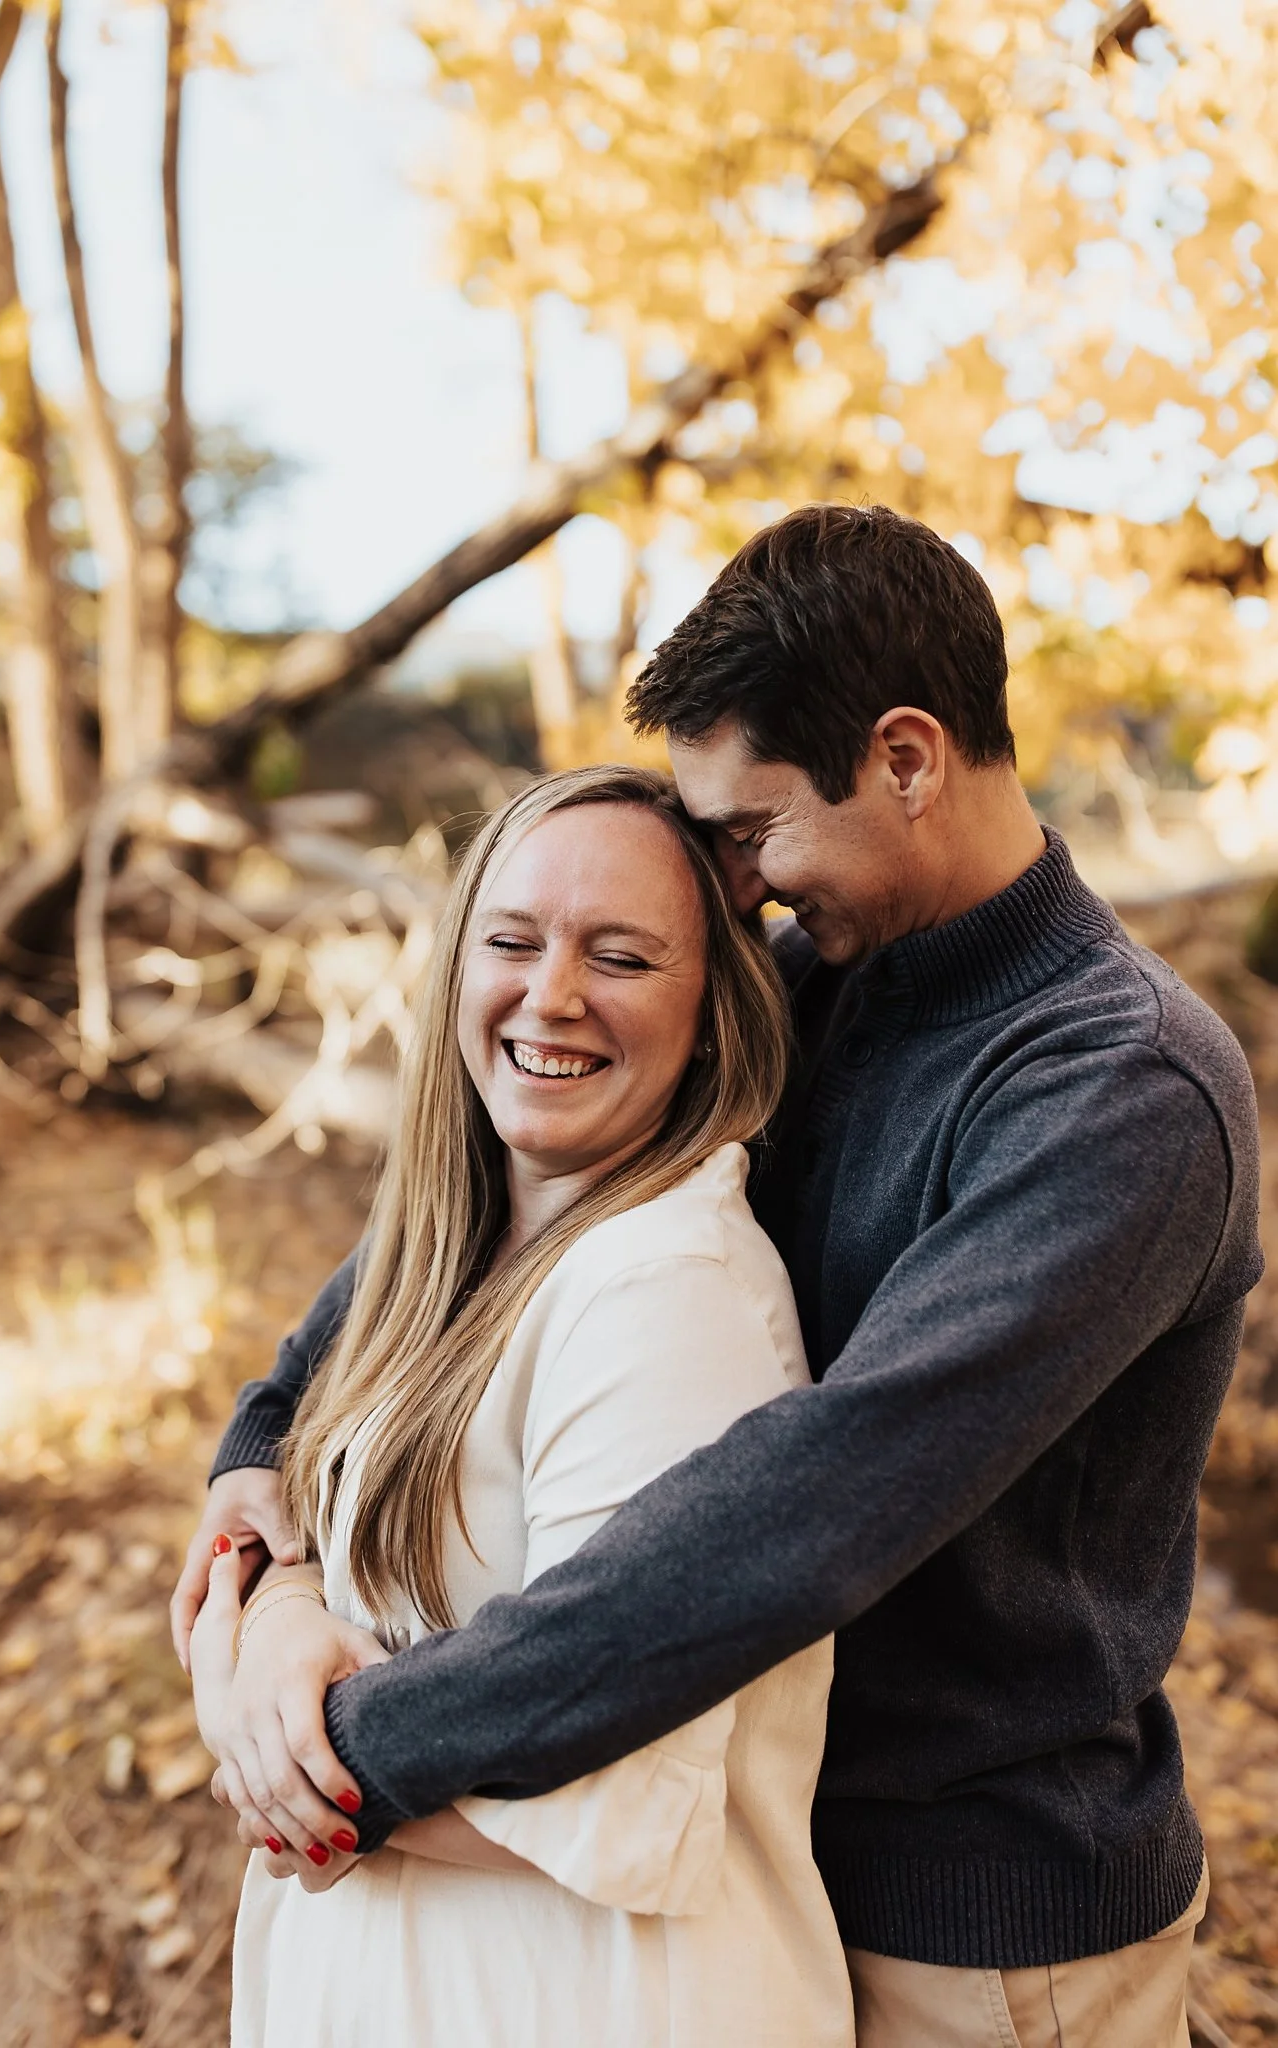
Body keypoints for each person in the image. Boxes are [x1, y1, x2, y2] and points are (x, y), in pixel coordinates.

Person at [177, 504, 1263, 2047]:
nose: (733, 883)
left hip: (985, 1931)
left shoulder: (1120, 1090)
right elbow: (505, 1187)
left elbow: (812, 1504)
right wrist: (270, 1436)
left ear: (905, 758)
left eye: (748, 832)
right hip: (774, 1859)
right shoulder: (821, 973)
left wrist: (358, 1748)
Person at [187, 764, 855, 2046]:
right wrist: (276, 1611)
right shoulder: (456, 1250)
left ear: (715, 1006)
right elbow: (323, 1547)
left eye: (621, 955)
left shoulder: (667, 1293)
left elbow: (631, 1790)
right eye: (511, 939)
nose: (551, 995)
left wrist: (272, 1758)